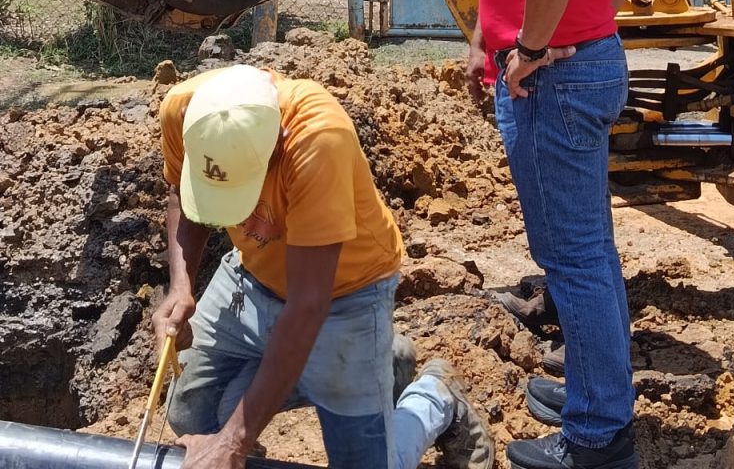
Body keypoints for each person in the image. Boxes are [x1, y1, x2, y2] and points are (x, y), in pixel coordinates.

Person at [452, 0, 644, 469]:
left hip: (552, 80)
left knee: (573, 256)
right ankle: (598, 391)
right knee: (588, 249)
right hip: (579, 66)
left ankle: (597, 437)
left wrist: (533, 46)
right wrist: (589, 21)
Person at [153, 63, 495, 469]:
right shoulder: (186, 111)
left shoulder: (318, 139)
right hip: (251, 275)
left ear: (277, 142)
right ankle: (375, 362)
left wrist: (234, 442)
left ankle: (435, 397)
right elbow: (181, 192)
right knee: (192, 413)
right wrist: (181, 286)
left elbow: (307, 306)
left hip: (344, 292)